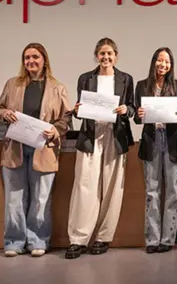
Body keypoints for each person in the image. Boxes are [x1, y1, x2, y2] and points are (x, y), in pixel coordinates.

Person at [0, 43, 71, 257]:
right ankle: (14, 242)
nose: (31, 61)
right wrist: (4, 114)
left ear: (44, 60)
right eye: (27, 58)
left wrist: (55, 130)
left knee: (41, 199)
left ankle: (38, 240)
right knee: (14, 199)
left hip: (44, 149)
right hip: (15, 149)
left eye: (35, 57)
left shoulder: (58, 87)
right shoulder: (12, 84)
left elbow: (66, 117)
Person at [66, 38, 135, 259]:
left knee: (112, 187)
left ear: (116, 56)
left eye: (109, 54)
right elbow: (81, 109)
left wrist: (126, 110)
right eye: (102, 54)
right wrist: (77, 110)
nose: (106, 57)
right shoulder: (85, 78)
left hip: (115, 135)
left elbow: (132, 108)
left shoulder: (126, 79)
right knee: (84, 185)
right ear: (97, 56)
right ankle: (78, 239)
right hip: (91, 134)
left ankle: (103, 237)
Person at [134, 47, 177, 254]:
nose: (163, 64)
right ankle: (152, 239)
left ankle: (168, 238)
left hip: (172, 140)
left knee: (173, 191)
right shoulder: (142, 85)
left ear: (171, 65)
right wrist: (139, 114)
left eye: (167, 62)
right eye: (160, 60)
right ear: (154, 62)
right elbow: (137, 117)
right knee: (152, 190)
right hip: (151, 140)